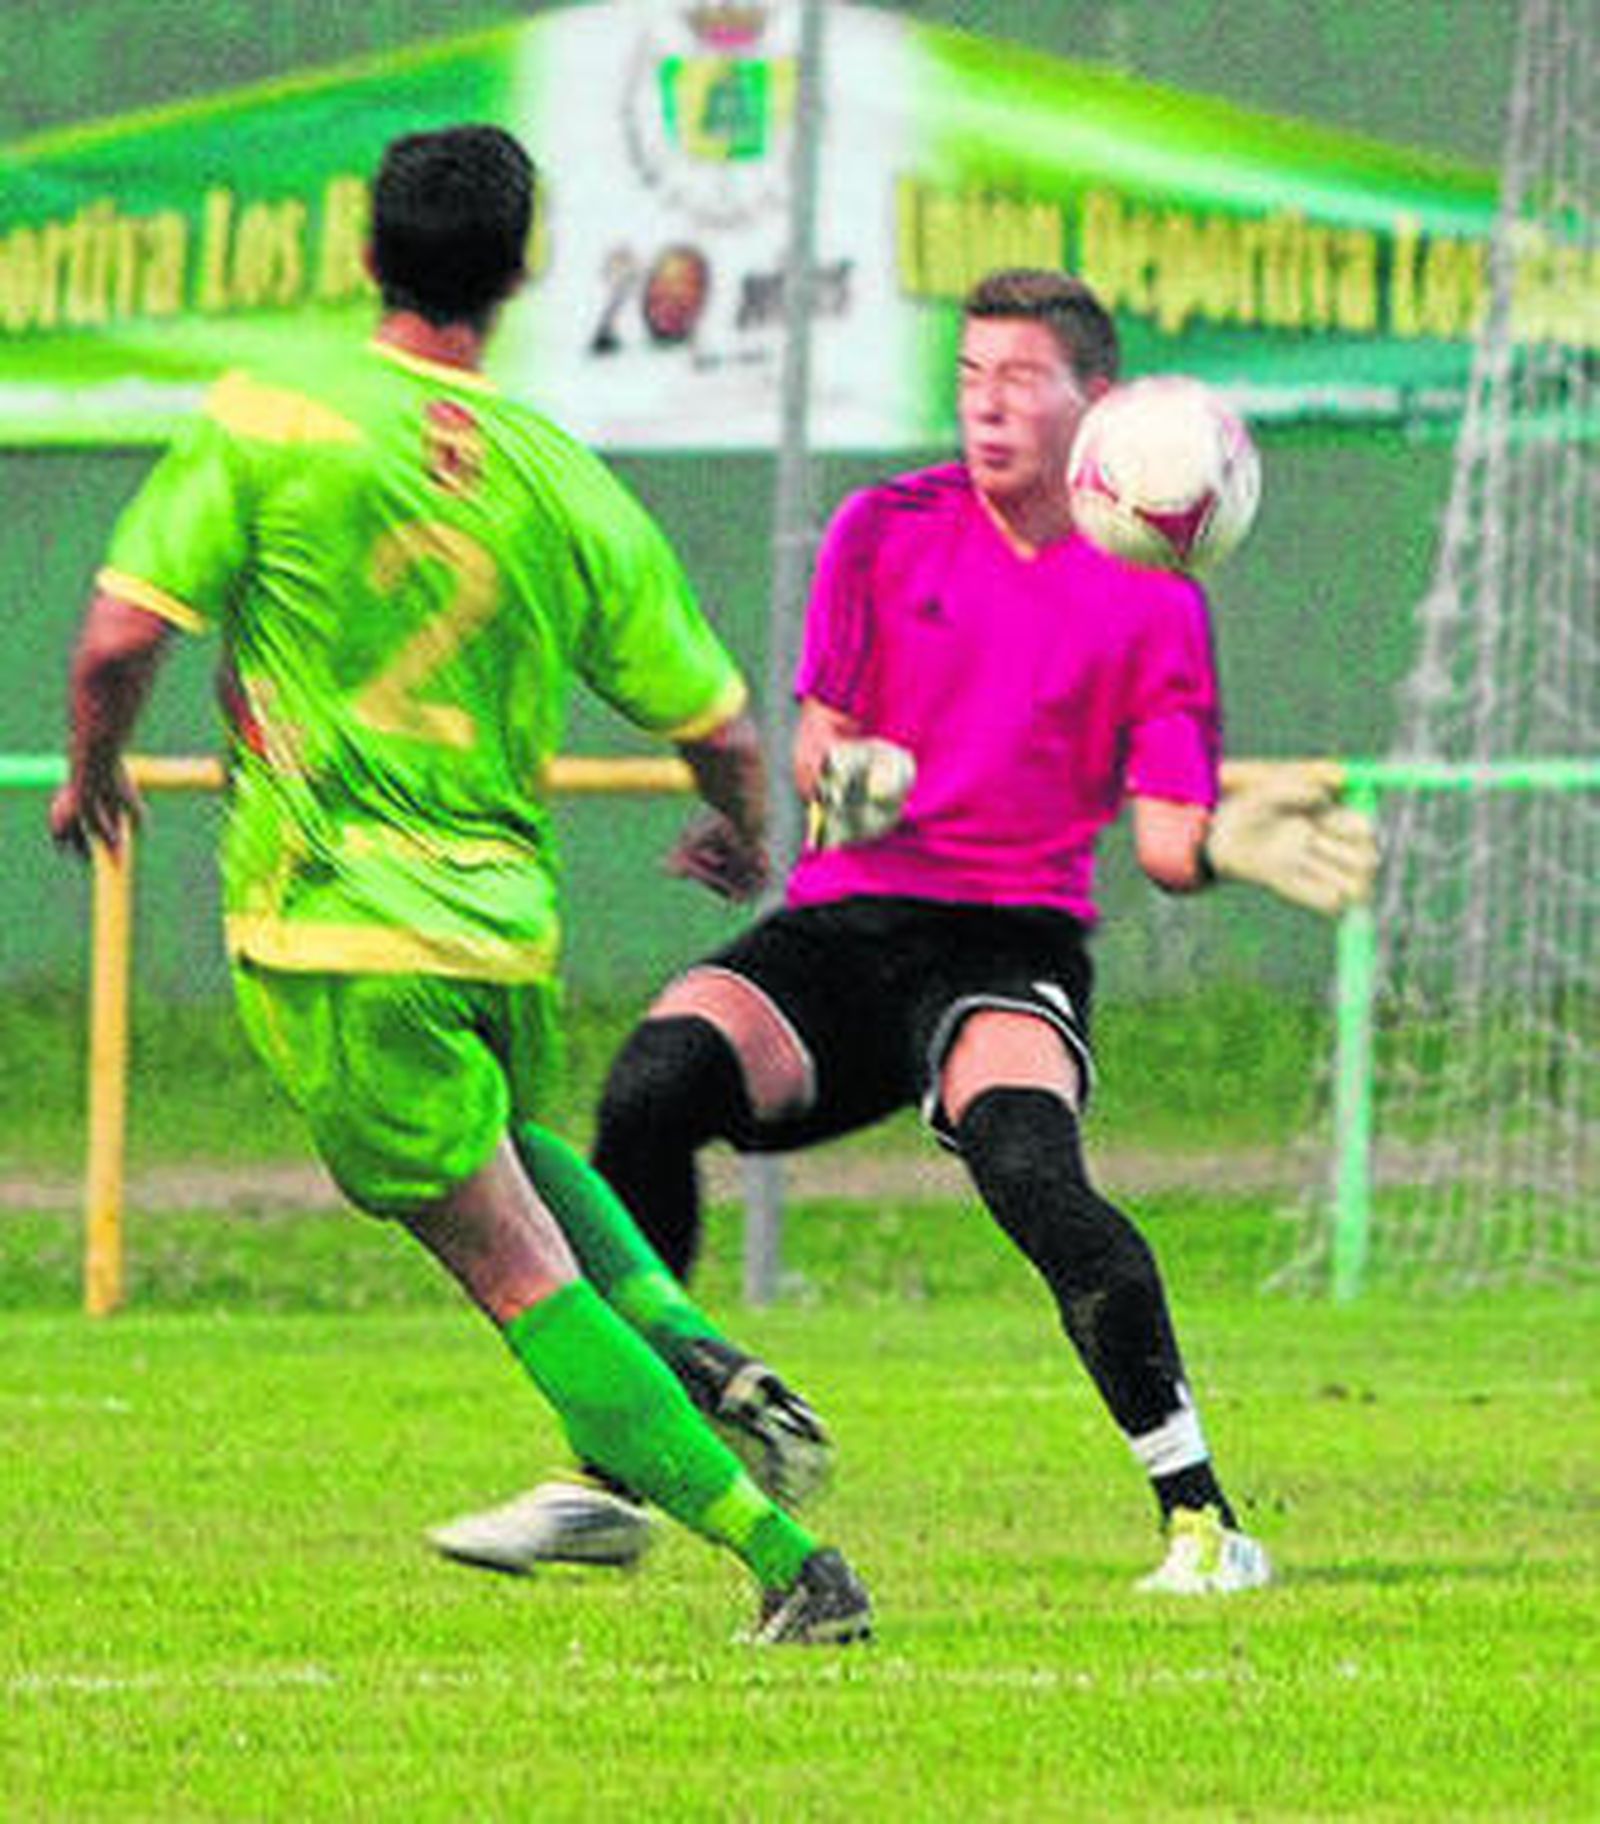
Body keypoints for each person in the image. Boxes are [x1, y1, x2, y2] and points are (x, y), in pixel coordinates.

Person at [50, 124, 870, 1646]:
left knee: (510, 1271)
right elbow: (721, 723)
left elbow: (116, 639)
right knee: (517, 1163)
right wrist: (741, 834)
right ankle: (694, 1348)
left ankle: (784, 1561)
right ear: (520, 274)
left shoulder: (275, 416)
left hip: (340, 922)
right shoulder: (559, 473)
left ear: (369, 254)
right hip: (500, 935)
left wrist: (95, 767)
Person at [439, 267, 1377, 1594]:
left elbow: (1167, 843)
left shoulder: (1154, 593)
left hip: (1005, 950)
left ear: (1094, 403)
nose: (988, 407)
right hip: (846, 930)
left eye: (1020, 380)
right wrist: (845, 772)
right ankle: (631, 1470)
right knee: (652, 1087)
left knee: (1029, 1169)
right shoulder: (885, 530)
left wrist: (1231, 839)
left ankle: (1204, 1522)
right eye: (970, 379)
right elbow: (822, 739)